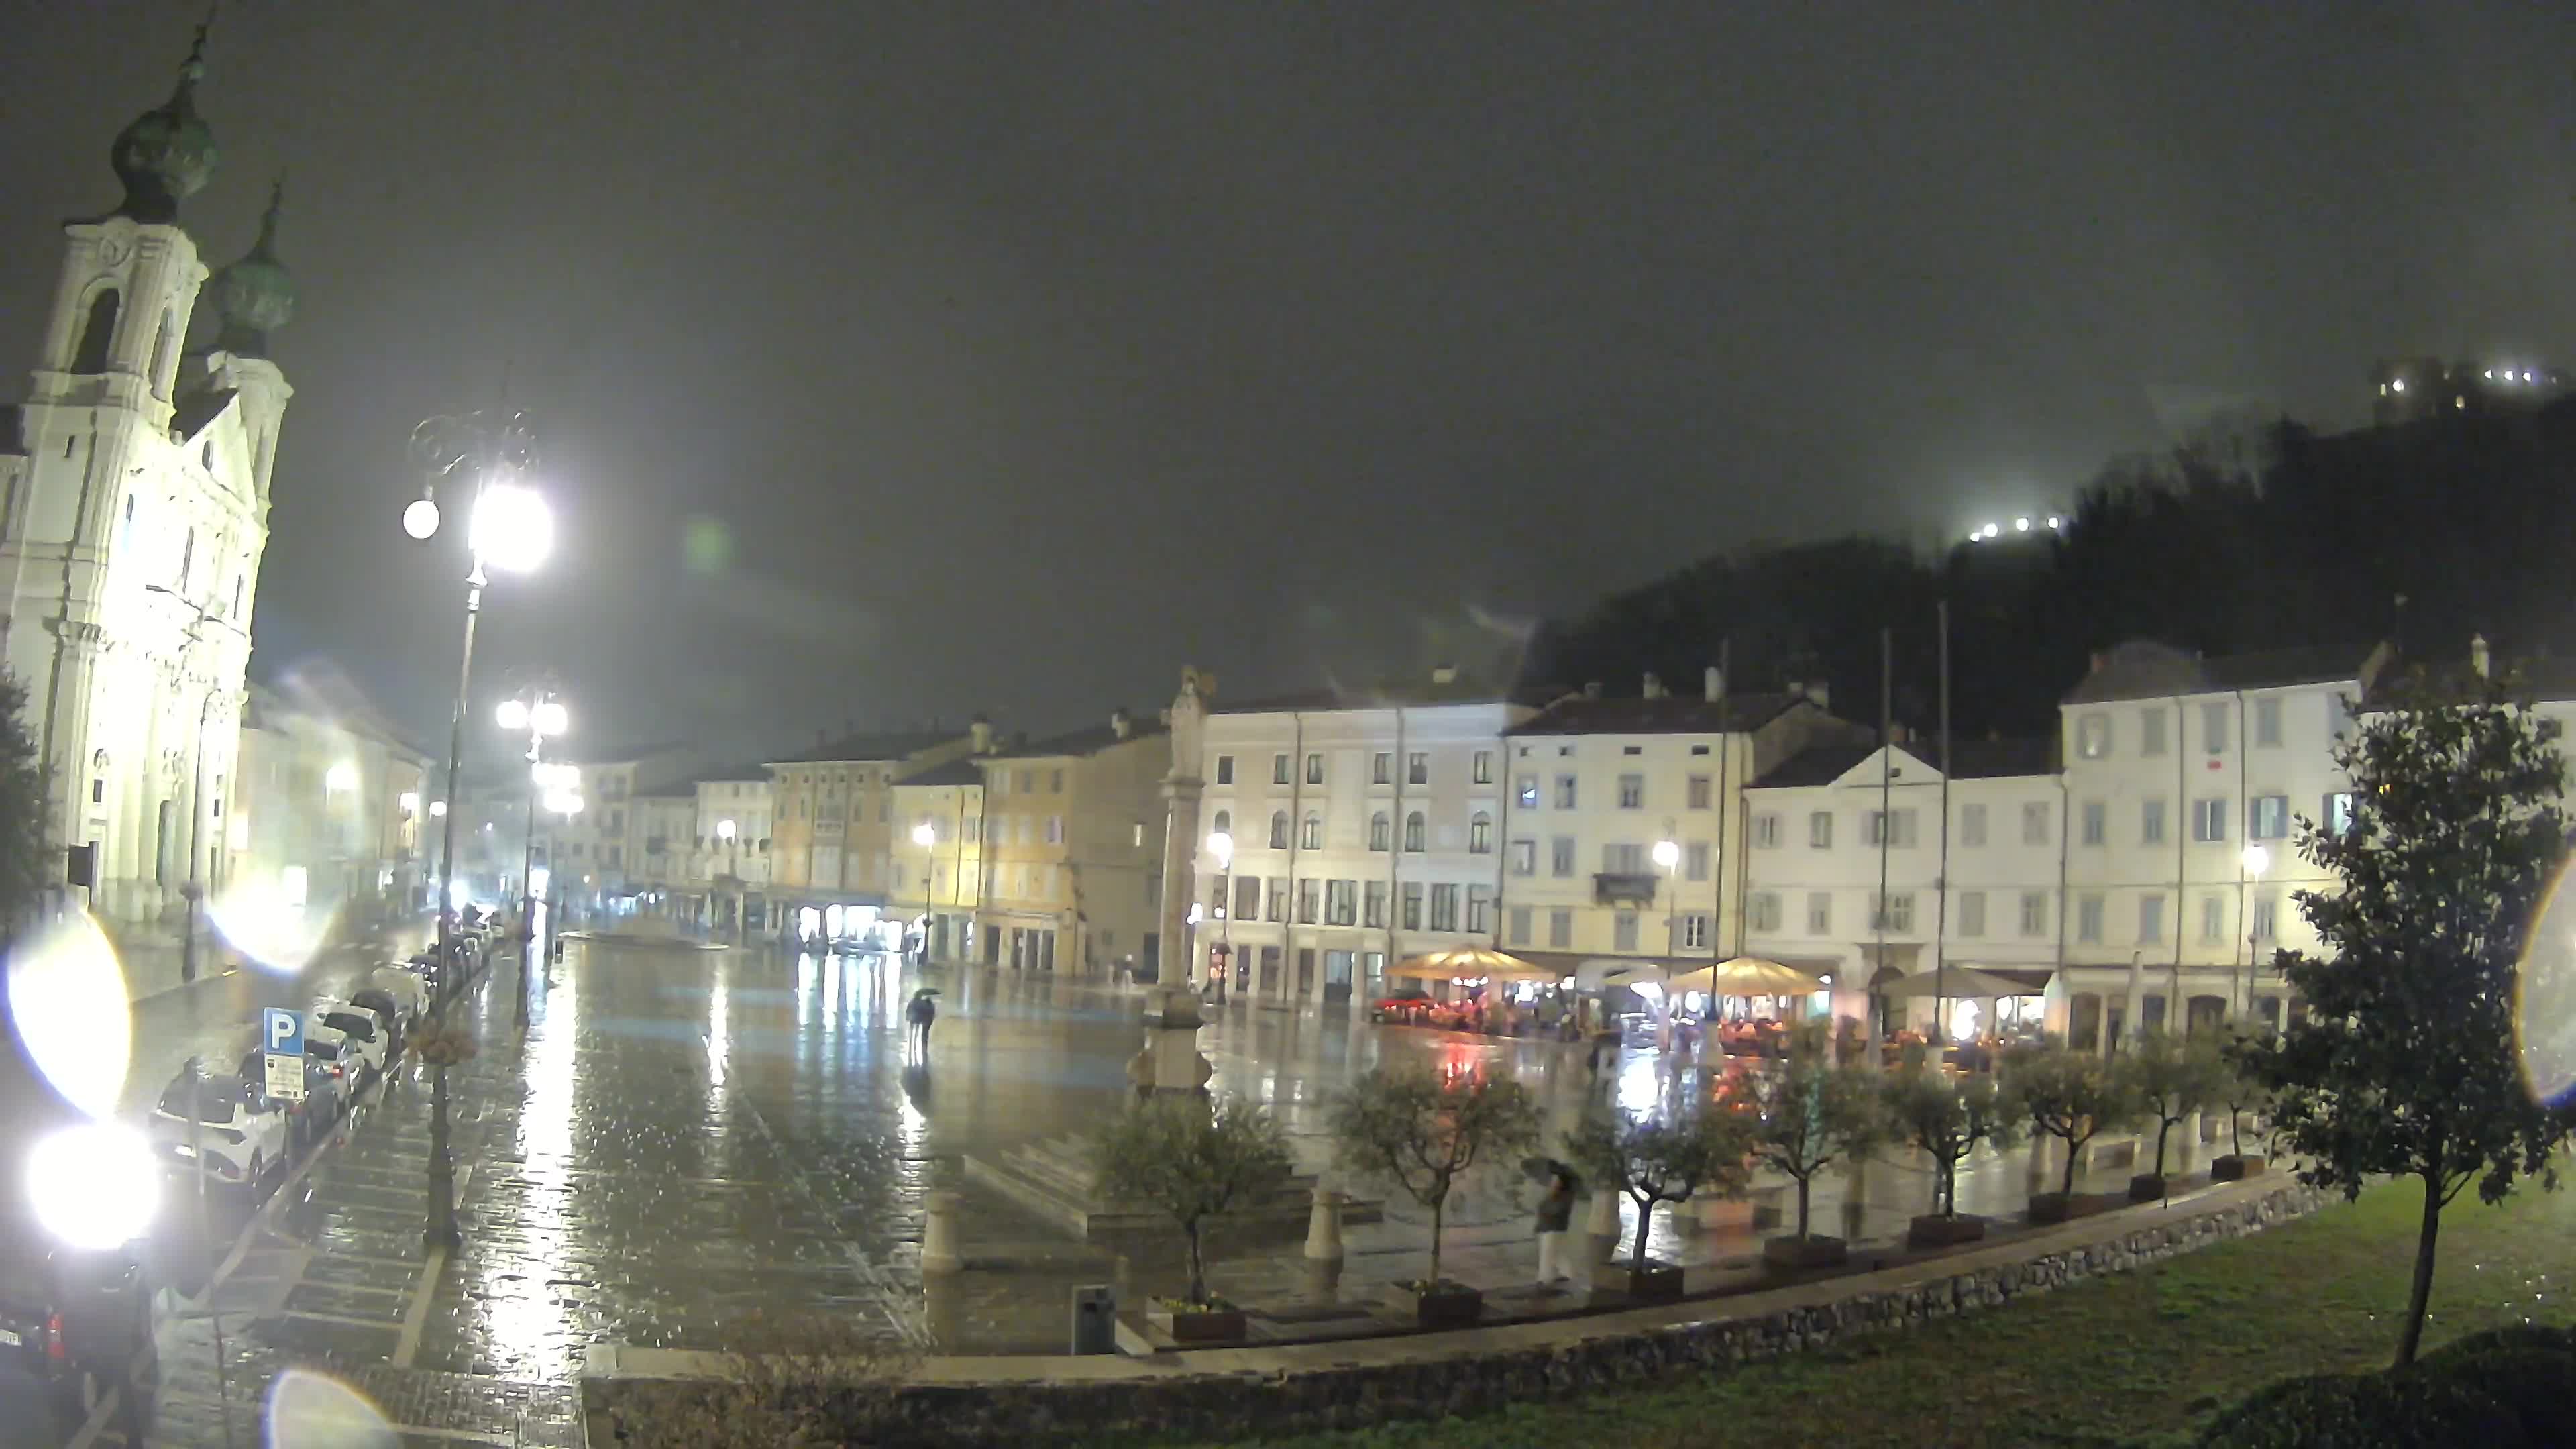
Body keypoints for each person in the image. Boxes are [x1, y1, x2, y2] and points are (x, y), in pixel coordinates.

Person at [1534, 1167, 1580, 1288]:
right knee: (1557, 1255)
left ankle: (1545, 1280)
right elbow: (1542, 1209)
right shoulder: (1554, 1196)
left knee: (1549, 1255)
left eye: (1556, 1181)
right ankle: (1566, 1277)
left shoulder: (1565, 1197)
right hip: (1549, 1229)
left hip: (1554, 1230)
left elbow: (1554, 1211)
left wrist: (1550, 1198)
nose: (1553, 1184)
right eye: (1553, 1181)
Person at [905, 989, 938, 1054]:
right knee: (919, 1031)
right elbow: (925, 1011)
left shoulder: (912, 1002)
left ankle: (912, 1042)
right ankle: (916, 1043)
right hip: (919, 1019)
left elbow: (908, 1010)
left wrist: (908, 1017)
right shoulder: (923, 1003)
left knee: (912, 1030)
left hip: (914, 1018)